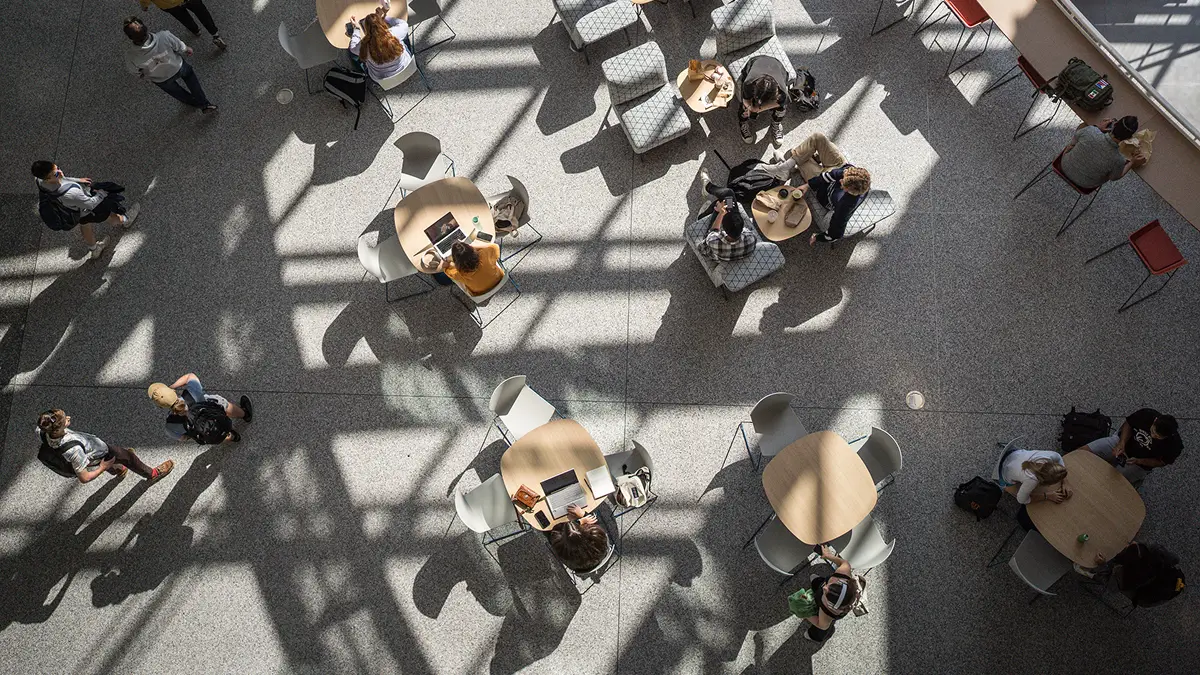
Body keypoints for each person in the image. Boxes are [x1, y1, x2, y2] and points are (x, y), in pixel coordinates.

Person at [764, 132, 871, 246]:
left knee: (795, 153)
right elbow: (835, 175)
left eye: (843, 185)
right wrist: (807, 185)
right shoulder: (853, 174)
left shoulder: (845, 205)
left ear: (850, 191)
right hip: (838, 165)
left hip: (824, 189)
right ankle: (785, 167)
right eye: (843, 179)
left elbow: (836, 233)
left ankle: (788, 167)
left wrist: (818, 237)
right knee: (818, 137)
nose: (840, 180)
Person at [32, 161, 140, 260]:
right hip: (86, 209)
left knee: (85, 224)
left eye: (58, 168)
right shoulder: (71, 193)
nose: (60, 172)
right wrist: (102, 193)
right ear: (48, 179)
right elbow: (91, 204)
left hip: (74, 212)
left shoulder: (39, 180)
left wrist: (78, 180)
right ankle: (126, 220)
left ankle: (94, 249)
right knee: (109, 217)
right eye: (55, 174)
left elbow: (62, 179)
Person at [36, 409, 173, 484]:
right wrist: (103, 467)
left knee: (114, 462)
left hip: (93, 453)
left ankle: (119, 470)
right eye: (66, 420)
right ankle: (152, 474)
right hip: (99, 454)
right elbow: (84, 478)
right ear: (57, 429)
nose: (69, 418)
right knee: (128, 456)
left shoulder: (42, 431)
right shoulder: (75, 450)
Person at [123, 17, 217, 113]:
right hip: (178, 66)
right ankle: (204, 104)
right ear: (146, 28)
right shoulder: (164, 36)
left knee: (177, 92)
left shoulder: (131, 56)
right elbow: (179, 46)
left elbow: (135, 72)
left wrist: (145, 76)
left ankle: (194, 102)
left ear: (130, 37)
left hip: (161, 79)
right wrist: (187, 49)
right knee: (191, 79)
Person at [1086, 408, 1182, 486]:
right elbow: (1129, 423)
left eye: (1157, 437)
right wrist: (1121, 443)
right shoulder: (1146, 414)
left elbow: (1162, 462)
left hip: (1139, 464)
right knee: (1084, 452)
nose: (1152, 436)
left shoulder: (1174, 445)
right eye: (1153, 431)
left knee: (1110, 485)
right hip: (1122, 442)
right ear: (1155, 421)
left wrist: (1139, 461)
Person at [1075, 542, 1185, 608]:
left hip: (1141, 595)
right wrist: (1135, 546)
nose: (1133, 543)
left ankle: (1091, 574)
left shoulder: (1125, 581)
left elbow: (1111, 585)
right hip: (1151, 580)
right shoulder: (1161, 558)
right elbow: (1153, 547)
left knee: (1103, 575)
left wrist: (1103, 565)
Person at [147, 373, 252, 443]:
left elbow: (183, 438)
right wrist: (171, 387)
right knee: (221, 403)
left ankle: (233, 437)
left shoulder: (170, 426)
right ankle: (245, 414)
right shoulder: (192, 394)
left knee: (213, 433)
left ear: (160, 406)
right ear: (173, 392)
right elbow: (190, 376)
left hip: (210, 435)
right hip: (216, 414)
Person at [1060, 116, 1146, 189]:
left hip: (1064, 165)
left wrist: (1097, 128)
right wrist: (1132, 162)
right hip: (1085, 184)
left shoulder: (1090, 131)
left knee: (1079, 134)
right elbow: (1114, 177)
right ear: (1129, 138)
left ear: (1114, 124)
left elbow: (1073, 142)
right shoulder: (1119, 159)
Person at [693, 170, 758, 262]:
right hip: (739, 249)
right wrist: (724, 210)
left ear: (723, 229)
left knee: (717, 204)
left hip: (716, 253)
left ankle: (701, 217)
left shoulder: (714, 242)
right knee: (728, 196)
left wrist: (721, 213)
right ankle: (707, 187)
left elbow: (713, 232)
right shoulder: (751, 238)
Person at [802, 545, 861, 643]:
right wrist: (828, 555)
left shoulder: (827, 612)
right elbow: (844, 563)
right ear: (842, 582)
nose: (825, 587)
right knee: (819, 584)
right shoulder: (843, 573)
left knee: (821, 630)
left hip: (825, 611)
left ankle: (814, 636)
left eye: (826, 594)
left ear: (831, 605)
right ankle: (816, 583)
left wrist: (804, 614)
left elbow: (821, 625)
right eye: (831, 585)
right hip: (833, 600)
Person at [349, 2, 412, 82]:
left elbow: (352, 48)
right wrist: (384, 17)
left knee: (352, 54)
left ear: (366, 30)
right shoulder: (394, 33)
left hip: (381, 78)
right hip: (406, 67)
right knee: (404, 37)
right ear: (382, 24)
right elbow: (403, 24)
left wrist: (357, 29)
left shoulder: (365, 47)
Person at [736, 56, 791, 146]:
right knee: (744, 107)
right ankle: (743, 122)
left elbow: (781, 102)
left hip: (776, 65)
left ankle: (776, 123)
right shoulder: (749, 82)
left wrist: (757, 109)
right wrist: (750, 107)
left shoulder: (782, 90)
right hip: (756, 62)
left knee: (782, 109)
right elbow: (745, 100)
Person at [546, 505, 610, 572]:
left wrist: (579, 521)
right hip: (590, 565)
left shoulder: (561, 548)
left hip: (580, 567)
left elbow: (555, 530)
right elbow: (596, 524)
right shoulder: (596, 536)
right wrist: (583, 514)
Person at [138, 0, 226, 49]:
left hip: (168, 4)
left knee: (183, 18)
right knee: (202, 13)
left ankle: (195, 30)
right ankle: (215, 35)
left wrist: (144, 6)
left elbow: (144, 1)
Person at [426, 240, 505, 295]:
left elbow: (445, 268)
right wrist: (472, 246)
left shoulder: (459, 274)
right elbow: (494, 246)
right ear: (473, 250)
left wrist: (447, 260)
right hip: (499, 279)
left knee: (439, 276)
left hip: (479, 292)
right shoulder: (486, 253)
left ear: (456, 261)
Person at [997, 448, 1071, 505]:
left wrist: (1065, 481)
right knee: (1017, 491)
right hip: (1002, 472)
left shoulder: (1047, 457)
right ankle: (1006, 487)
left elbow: (1058, 456)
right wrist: (1048, 496)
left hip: (1013, 452)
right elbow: (1021, 500)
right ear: (1046, 483)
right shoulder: (1031, 480)